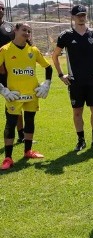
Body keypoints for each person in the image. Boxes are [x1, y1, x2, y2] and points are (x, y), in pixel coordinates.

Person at [51, 5, 93, 151]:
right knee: (77, 112)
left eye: (83, 15)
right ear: (73, 17)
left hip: (92, 80)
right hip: (75, 81)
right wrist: (60, 74)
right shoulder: (66, 35)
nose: (81, 17)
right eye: (78, 15)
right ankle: (80, 140)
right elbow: (55, 55)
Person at [0, 23, 52, 170]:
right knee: (10, 124)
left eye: (29, 31)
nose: (27, 33)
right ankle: (8, 158)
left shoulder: (33, 50)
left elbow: (48, 67)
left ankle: (28, 151)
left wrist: (46, 84)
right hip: (13, 96)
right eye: (24, 30)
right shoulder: (5, 50)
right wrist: (4, 90)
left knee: (30, 121)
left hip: (31, 94)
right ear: (15, 31)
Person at [0, 1, 24, 144]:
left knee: (16, 101)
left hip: (9, 73)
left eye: (2, 8)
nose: (0, 10)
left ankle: (21, 134)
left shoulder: (10, 28)